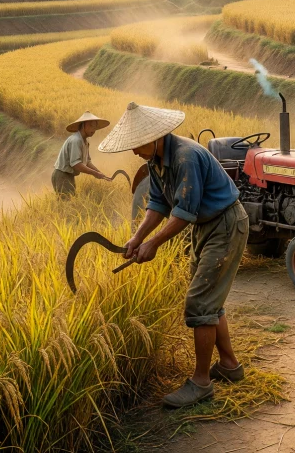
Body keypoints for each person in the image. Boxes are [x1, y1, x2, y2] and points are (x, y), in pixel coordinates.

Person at [101, 102, 250, 409]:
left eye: (136, 144)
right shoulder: (156, 162)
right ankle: (229, 365)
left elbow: (184, 212)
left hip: (224, 224)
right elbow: (158, 204)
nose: (132, 152)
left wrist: (153, 244)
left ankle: (201, 383)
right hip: (207, 227)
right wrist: (137, 237)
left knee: (200, 302)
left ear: (155, 136)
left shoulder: (185, 157)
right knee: (211, 300)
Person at [52, 111, 114, 196]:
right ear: (83, 125)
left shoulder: (85, 142)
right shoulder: (76, 140)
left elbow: (87, 162)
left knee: (70, 202)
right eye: (91, 125)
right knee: (66, 204)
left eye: (95, 126)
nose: (94, 129)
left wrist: (99, 173)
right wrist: (94, 173)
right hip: (62, 175)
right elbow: (76, 164)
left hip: (69, 176)